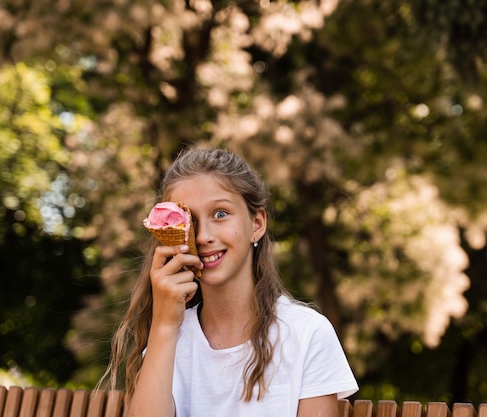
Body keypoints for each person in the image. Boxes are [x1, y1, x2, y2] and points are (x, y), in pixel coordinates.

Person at [101, 146, 358, 417]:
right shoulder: (169, 339)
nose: (202, 236)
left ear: (256, 223)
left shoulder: (307, 334)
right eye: (189, 220)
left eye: (220, 214)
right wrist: (163, 325)